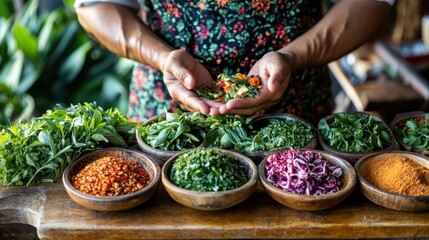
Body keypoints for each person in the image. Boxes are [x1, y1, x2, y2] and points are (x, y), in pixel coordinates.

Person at [74, 0, 393, 124]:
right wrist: (162, 58)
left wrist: (292, 58)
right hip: (168, 107)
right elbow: (94, 5)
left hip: (292, 106)